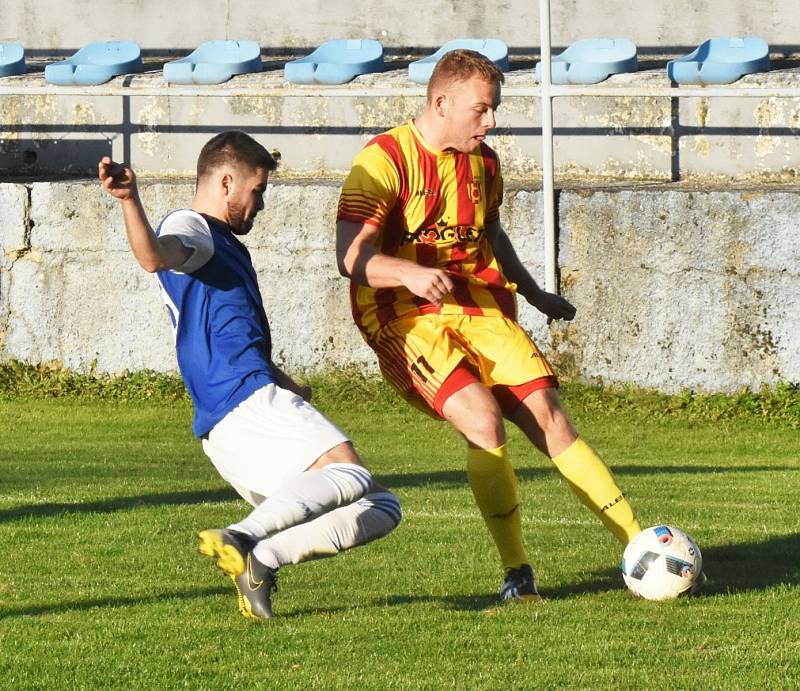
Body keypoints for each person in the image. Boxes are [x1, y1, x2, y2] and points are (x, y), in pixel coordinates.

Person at [336, 50, 640, 603]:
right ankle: (517, 571)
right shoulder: (381, 162)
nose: (491, 121)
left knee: (550, 417)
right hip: (401, 314)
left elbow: (491, 234)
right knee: (482, 419)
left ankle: (642, 548)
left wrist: (533, 290)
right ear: (441, 102)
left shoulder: (484, 162)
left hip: (480, 304)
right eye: (482, 110)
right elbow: (350, 257)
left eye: (494, 110)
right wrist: (408, 270)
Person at [99, 131, 401, 621]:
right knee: (349, 472)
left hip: (232, 419)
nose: (259, 205)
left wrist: (285, 381)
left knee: (380, 506)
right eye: (256, 191)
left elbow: (227, 332)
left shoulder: (223, 247)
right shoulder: (194, 228)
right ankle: (240, 537)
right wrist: (130, 199)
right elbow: (155, 255)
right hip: (244, 402)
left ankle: (260, 559)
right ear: (225, 181)